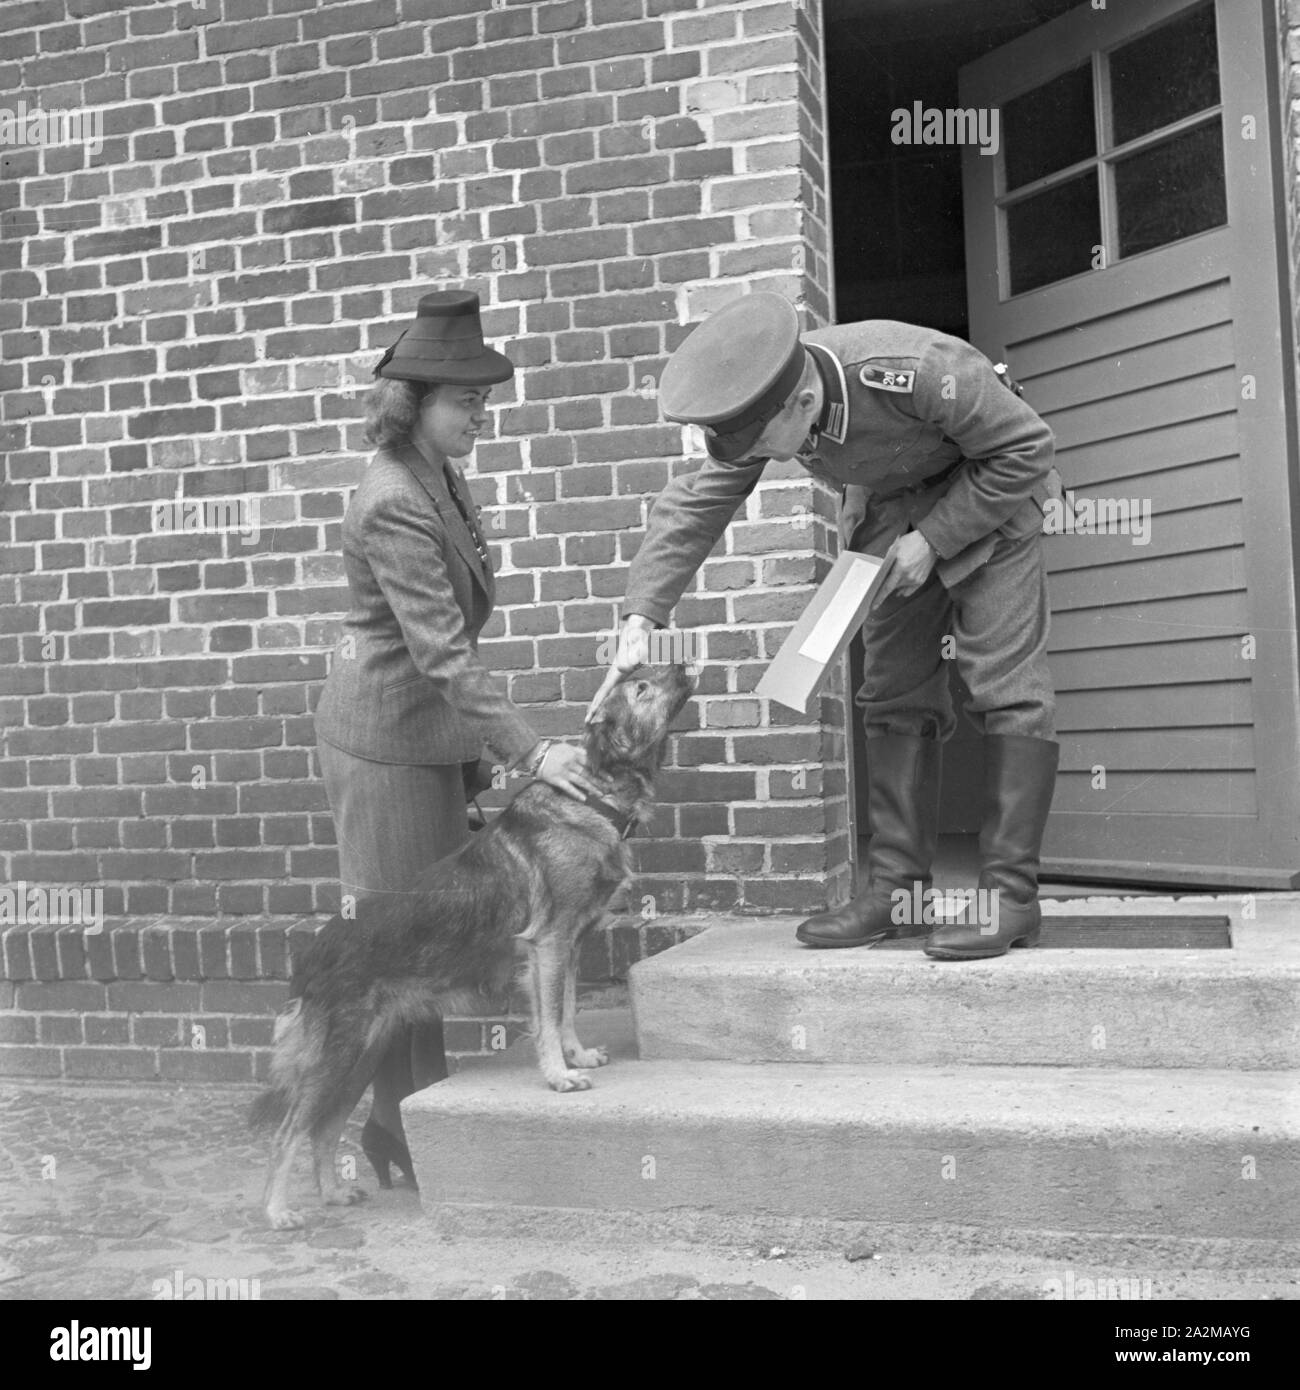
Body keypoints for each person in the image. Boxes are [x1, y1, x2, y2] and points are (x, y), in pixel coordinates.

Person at [589, 291, 1062, 962]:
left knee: (1003, 685)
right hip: (888, 515)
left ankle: (1012, 898)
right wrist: (642, 618)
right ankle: (899, 896)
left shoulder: (913, 368)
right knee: (893, 692)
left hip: (990, 499)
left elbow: (1026, 448)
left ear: (803, 405)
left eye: (763, 447)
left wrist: (934, 538)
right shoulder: (766, 407)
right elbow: (694, 504)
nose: (760, 459)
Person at [314, 289, 605, 1186]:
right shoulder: (393, 498)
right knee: (402, 949)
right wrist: (528, 750)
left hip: (429, 740)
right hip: (383, 746)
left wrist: (474, 754)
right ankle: (401, 1129)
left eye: (484, 400)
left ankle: (405, 1131)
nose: (481, 414)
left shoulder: (440, 474)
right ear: (414, 403)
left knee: (429, 940)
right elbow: (440, 649)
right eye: (466, 400)